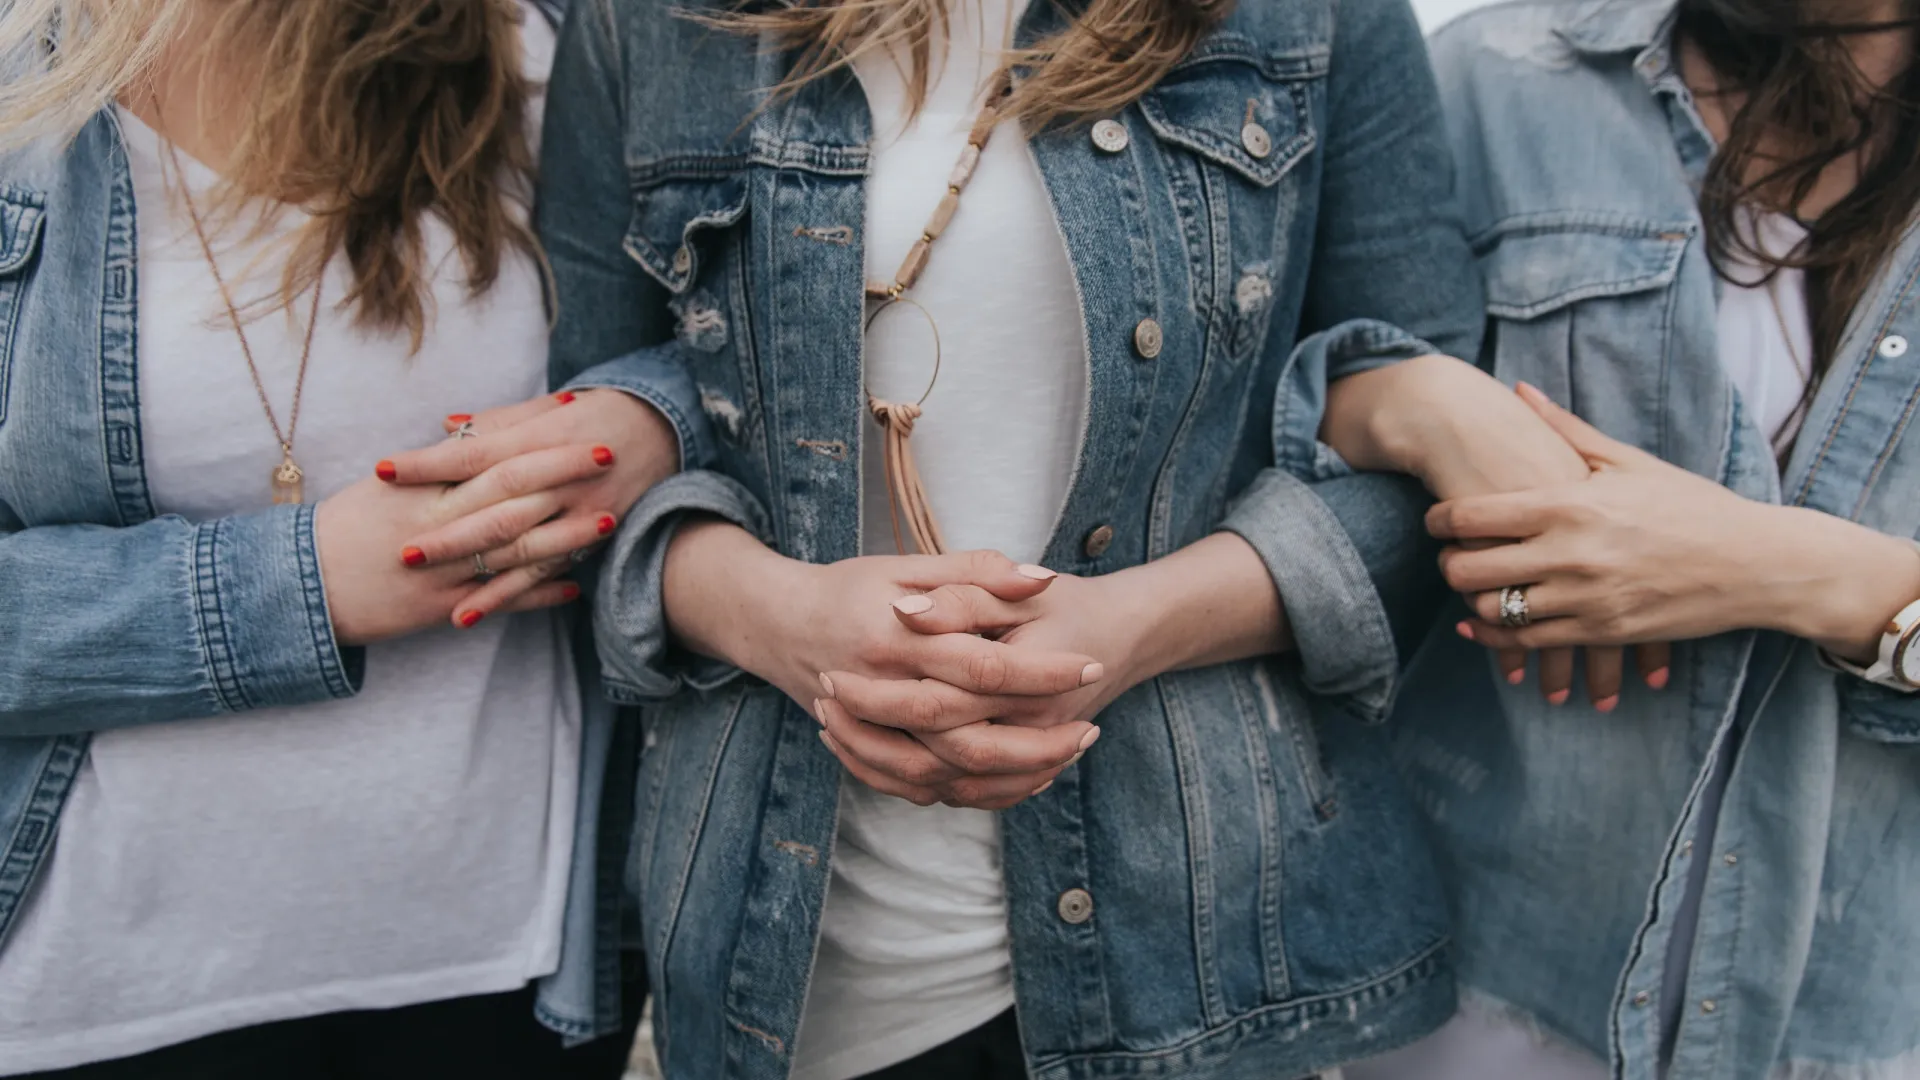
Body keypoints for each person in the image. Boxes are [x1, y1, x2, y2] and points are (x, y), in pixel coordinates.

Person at [485, 0, 1494, 1073]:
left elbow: (1424, 458)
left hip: (1202, 960)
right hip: (798, 969)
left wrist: (1133, 627)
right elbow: (595, 458)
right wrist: (780, 617)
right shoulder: (650, 21)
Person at [0, 0, 702, 1074]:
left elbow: (725, 342)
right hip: (101, 998)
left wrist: (651, 419)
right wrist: (304, 585)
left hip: (507, 971)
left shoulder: (546, 46)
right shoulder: (23, 89)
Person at [1318, 0, 1920, 1076]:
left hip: (1861, 1023)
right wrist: (1414, 399)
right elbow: (1269, 412)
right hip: (1483, 989)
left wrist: (1797, 574)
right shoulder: (1498, 82)